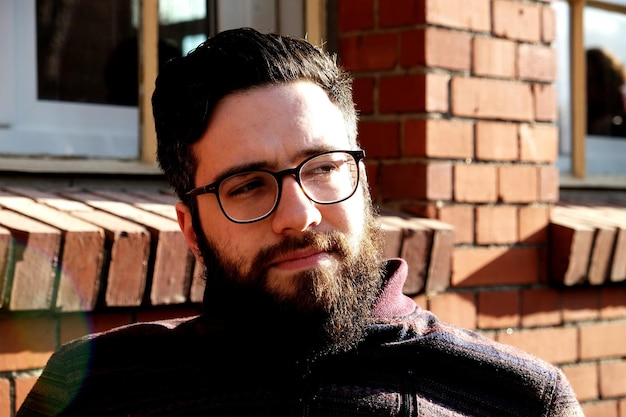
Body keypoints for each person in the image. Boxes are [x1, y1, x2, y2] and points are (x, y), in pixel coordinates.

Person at [17, 28, 584, 417]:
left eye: (325, 167)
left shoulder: (516, 399)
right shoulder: (95, 391)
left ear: (362, 177)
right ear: (190, 229)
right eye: (247, 185)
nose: (300, 215)